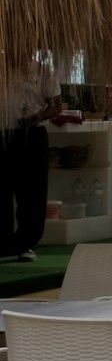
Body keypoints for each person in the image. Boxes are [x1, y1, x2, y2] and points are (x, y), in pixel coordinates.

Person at [0, 58, 61, 262]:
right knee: (3, 191)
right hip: (3, 134)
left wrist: (38, 116)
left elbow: (56, 106)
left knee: (32, 192)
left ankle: (25, 243)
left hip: (31, 133)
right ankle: (4, 243)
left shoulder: (42, 72)